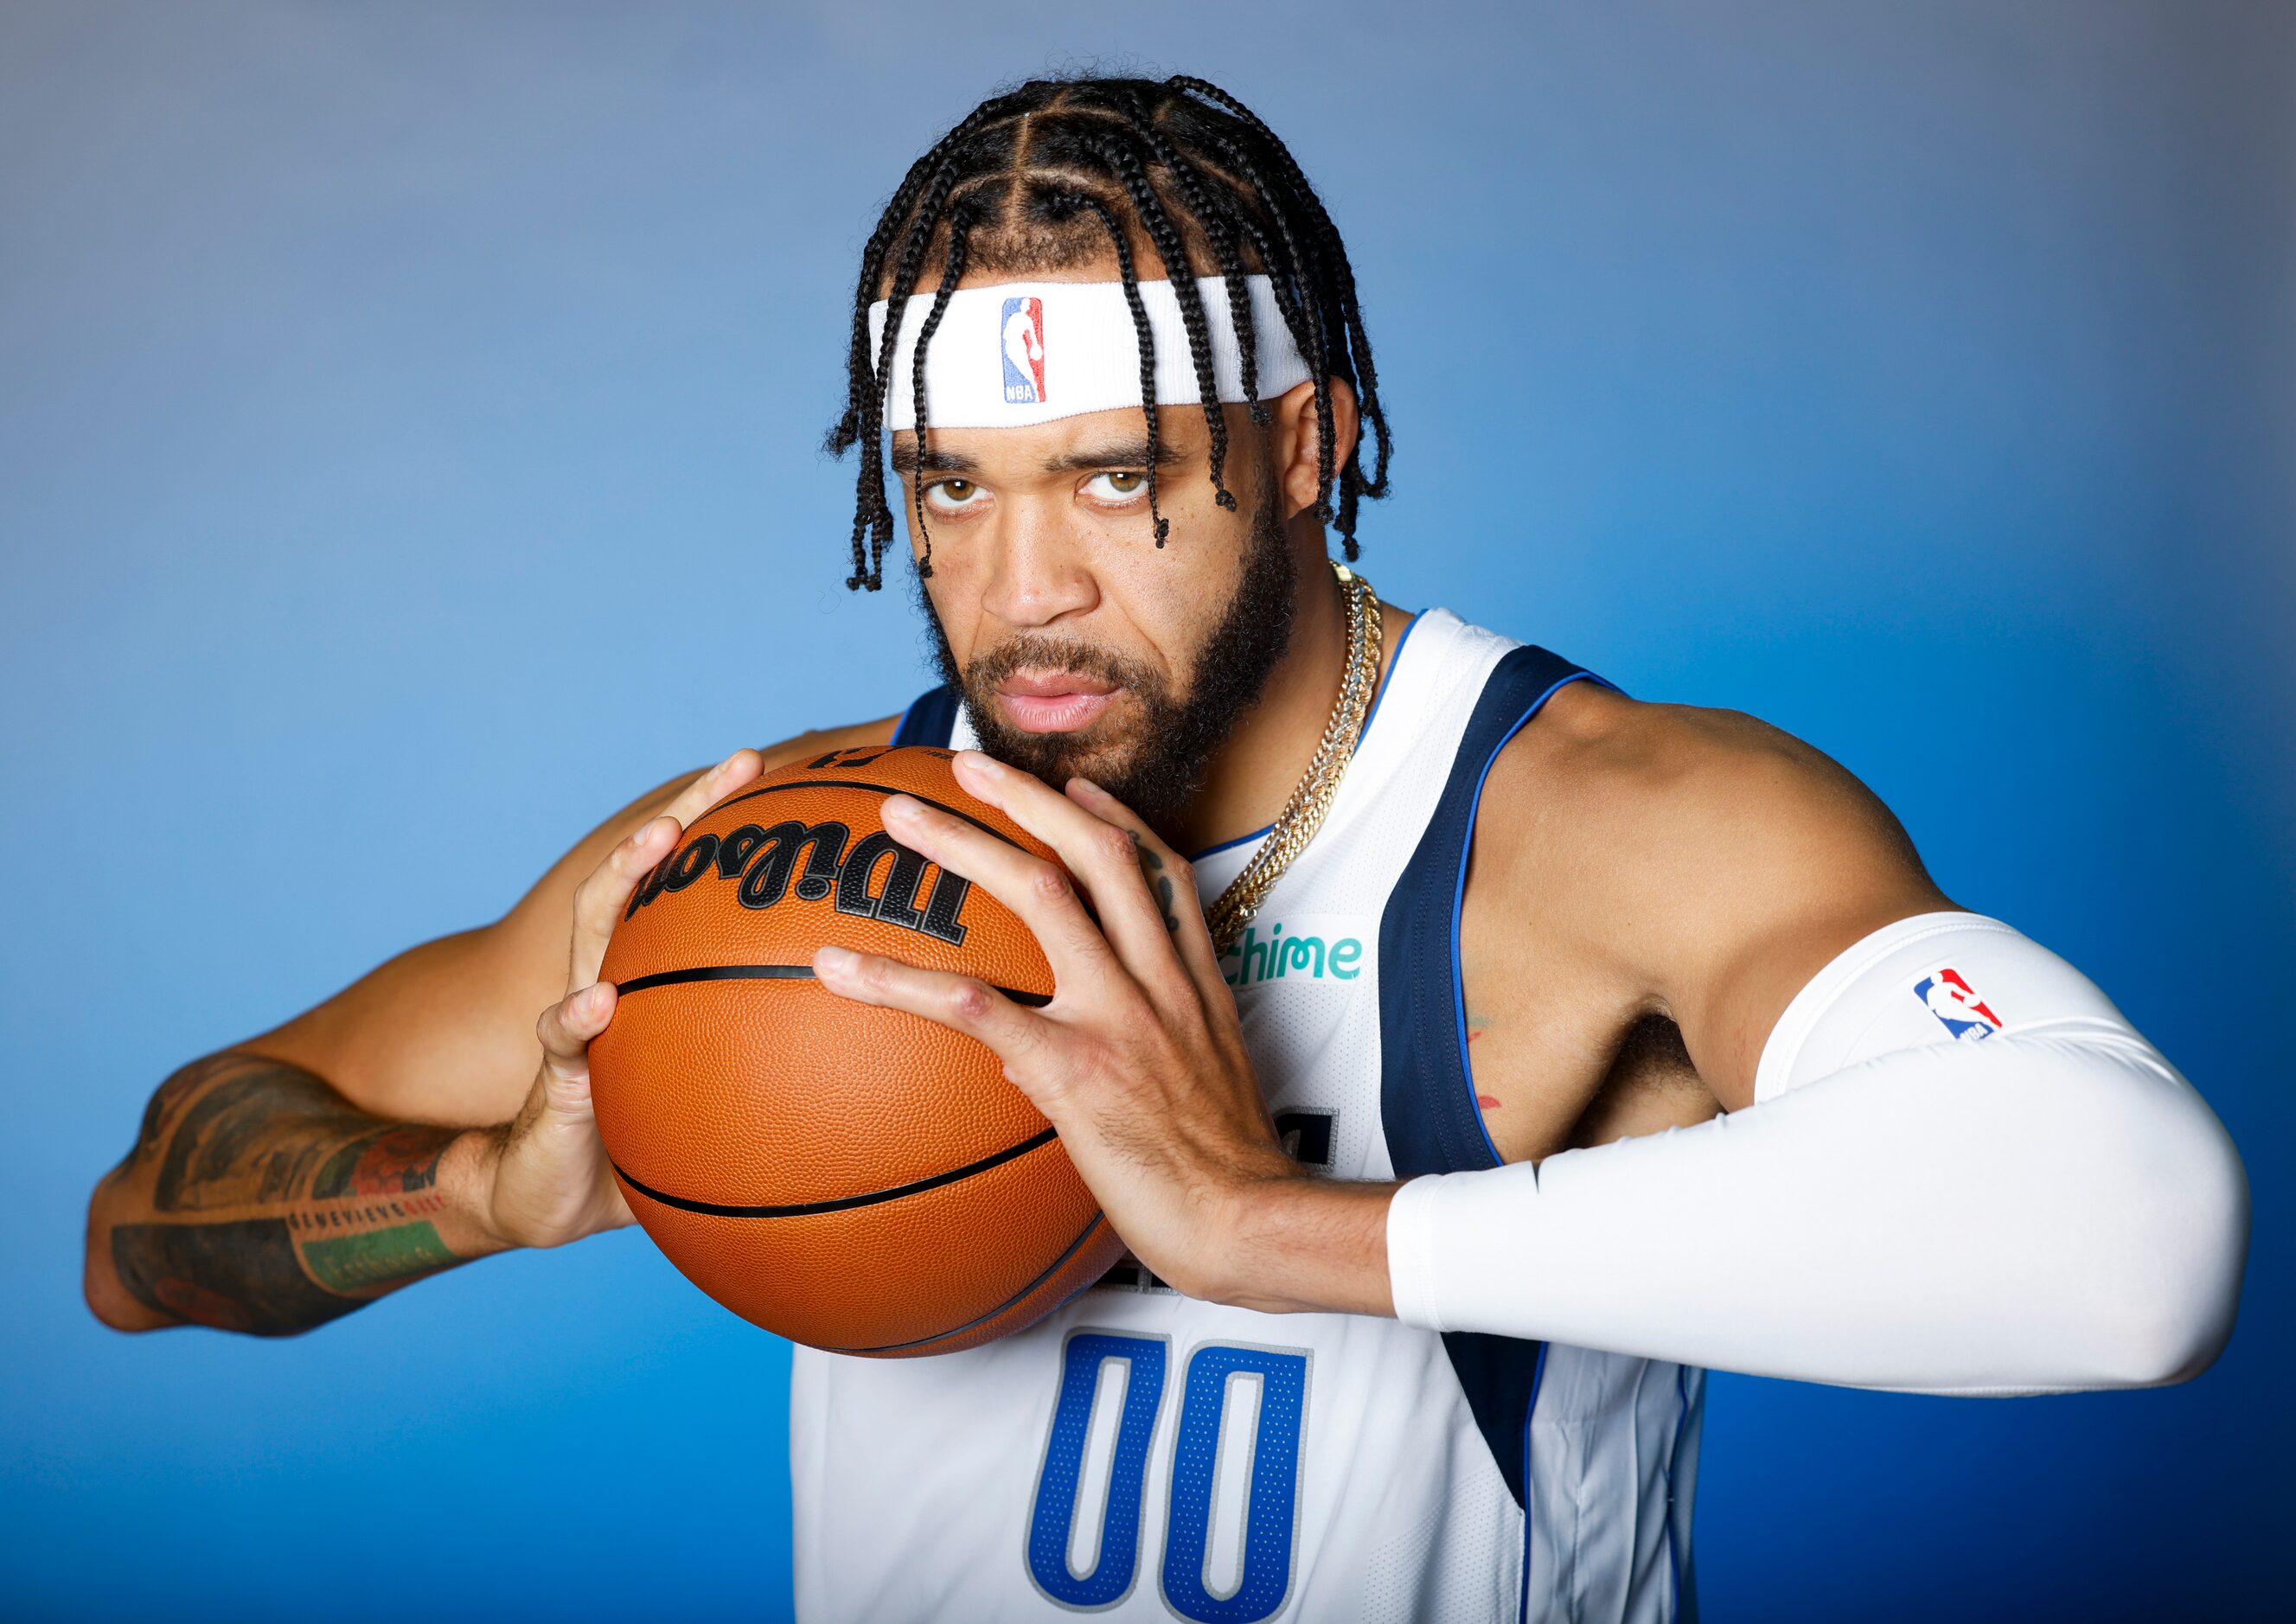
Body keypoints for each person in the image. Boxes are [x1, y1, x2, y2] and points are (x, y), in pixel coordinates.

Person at [83, 74, 2248, 1623]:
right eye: (947, 489)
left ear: (1298, 443)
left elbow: (2128, 1239)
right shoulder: (769, 860)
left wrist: (1250, 1223)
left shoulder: (1598, 831)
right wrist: (477, 1193)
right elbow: (139, 1227)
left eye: (1116, 480)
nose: (1019, 589)